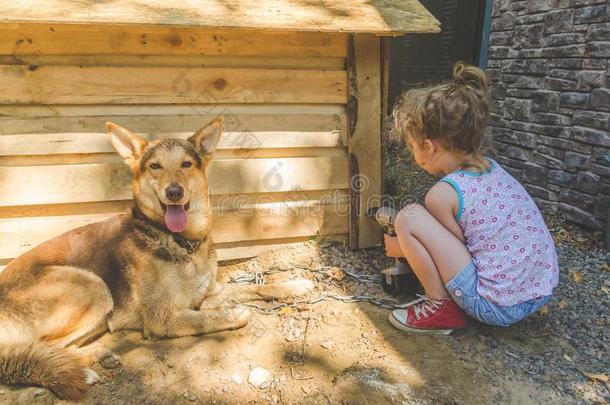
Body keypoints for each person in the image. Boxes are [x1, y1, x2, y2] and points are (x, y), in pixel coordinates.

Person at [385, 62, 559, 334]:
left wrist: (402, 247)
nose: (411, 153)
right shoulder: (491, 167)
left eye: (412, 146)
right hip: (538, 290)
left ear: (429, 147)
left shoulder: (442, 194)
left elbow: (454, 250)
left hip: (496, 305)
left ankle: (441, 307)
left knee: (408, 218)